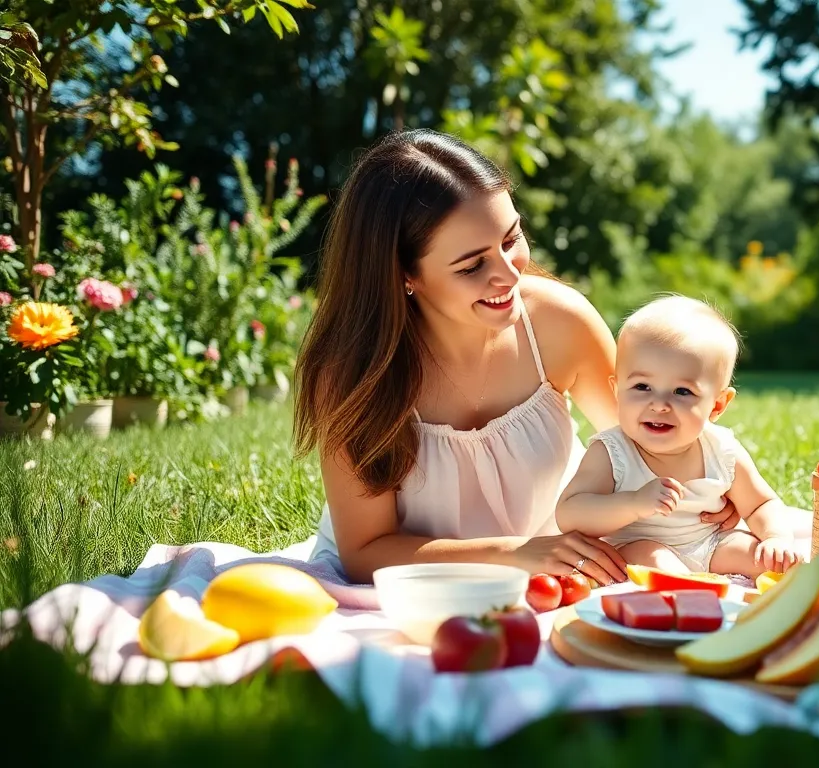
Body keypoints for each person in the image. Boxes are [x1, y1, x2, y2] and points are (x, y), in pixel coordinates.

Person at [291, 130, 740, 585]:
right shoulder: (354, 373)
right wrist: (515, 553)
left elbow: (647, 446)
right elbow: (364, 553)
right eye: (472, 266)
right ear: (406, 275)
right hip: (421, 582)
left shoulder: (559, 323)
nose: (509, 274)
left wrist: (714, 495)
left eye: (511, 239)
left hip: (557, 569)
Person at [554, 296, 802, 579]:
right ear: (617, 391)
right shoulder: (612, 452)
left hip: (710, 544)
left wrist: (775, 538)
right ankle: (686, 590)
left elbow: (761, 504)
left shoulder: (722, 450)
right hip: (635, 547)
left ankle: (782, 597)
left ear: (717, 405)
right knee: (652, 558)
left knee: (763, 558)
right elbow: (570, 514)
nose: (659, 404)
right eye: (642, 386)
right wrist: (634, 503)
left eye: (682, 392)